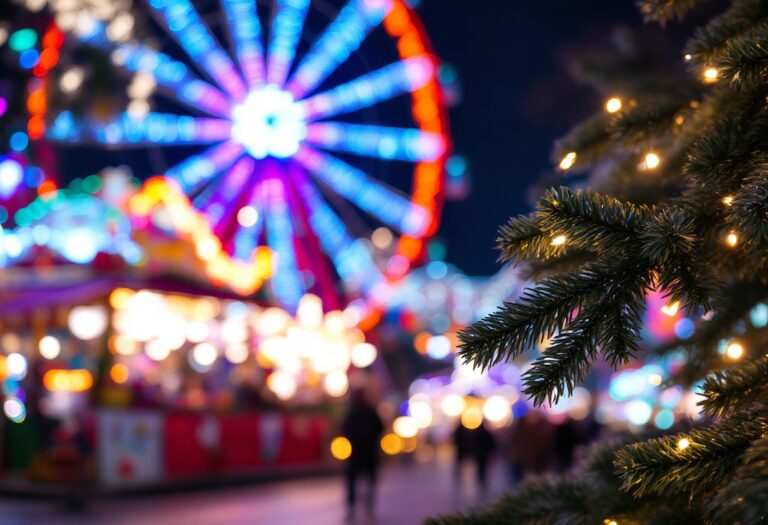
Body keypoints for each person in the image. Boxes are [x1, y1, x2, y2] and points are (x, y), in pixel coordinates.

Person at [342, 388, 384, 519]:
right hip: (365, 451)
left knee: (358, 479)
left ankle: (360, 504)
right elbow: (380, 427)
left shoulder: (356, 412)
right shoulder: (365, 412)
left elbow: (345, 428)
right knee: (365, 478)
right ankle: (362, 503)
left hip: (361, 451)